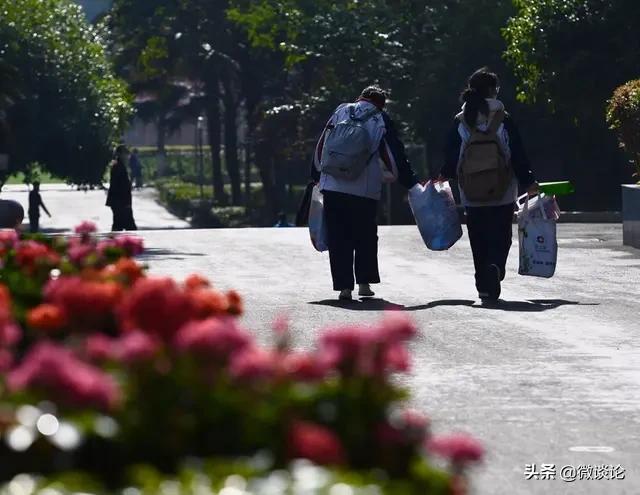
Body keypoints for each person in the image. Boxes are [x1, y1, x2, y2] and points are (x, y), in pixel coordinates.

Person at [312, 85, 421, 301]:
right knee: (365, 236)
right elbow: (393, 154)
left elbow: (322, 145)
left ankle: (344, 287)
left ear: (360, 97)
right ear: (381, 104)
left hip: (333, 185)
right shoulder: (380, 118)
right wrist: (410, 182)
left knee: (338, 236)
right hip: (364, 189)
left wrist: (316, 173)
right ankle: (364, 283)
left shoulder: (341, 110)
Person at [441, 67, 538, 302]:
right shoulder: (503, 118)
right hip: (503, 190)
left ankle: (484, 284)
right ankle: (495, 266)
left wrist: (444, 176)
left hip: (471, 192)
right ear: (494, 91)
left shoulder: (461, 120)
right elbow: (516, 153)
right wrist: (528, 181)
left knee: (478, 237)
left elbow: (453, 155)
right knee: (501, 235)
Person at [106, 144, 137, 231]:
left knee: (118, 225)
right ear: (119, 154)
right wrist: (125, 203)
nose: (127, 156)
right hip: (120, 202)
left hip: (120, 202)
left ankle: (116, 243)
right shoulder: (118, 167)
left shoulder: (120, 166)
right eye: (125, 153)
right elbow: (119, 186)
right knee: (128, 226)